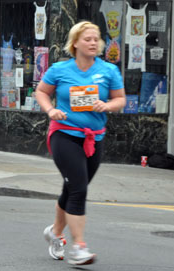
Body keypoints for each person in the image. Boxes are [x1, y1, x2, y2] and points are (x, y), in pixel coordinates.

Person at [35, 21, 126, 266]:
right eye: (88, 39)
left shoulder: (108, 71)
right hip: (64, 134)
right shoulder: (59, 70)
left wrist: (107, 105)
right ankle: (79, 247)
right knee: (78, 188)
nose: (94, 43)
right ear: (75, 43)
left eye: (96, 39)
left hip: (94, 137)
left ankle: (55, 233)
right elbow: (42, 92)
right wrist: (50, 110)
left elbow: (120, 100)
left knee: (72, 188)